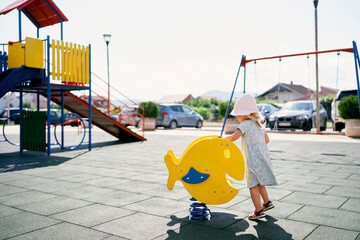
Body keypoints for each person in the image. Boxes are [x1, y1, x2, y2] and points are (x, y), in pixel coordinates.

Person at [225, 94, 278, 220]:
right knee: (260, 182)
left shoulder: (244, 125)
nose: (237, 117)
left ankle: (258, 210)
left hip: (252, 160)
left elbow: (233, 137)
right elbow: (267, 140)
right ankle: (267, 202)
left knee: (253, 185)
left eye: (238, 114)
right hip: (262, 158)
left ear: (244, 114)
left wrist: (221, 141)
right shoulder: (258, 124)